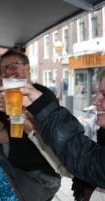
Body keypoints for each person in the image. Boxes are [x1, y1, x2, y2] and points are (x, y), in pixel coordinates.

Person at [20, 68, 105, 200]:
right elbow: (71, 166)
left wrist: (42, 106)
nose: (95, 101)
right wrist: (32, 131)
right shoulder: (100, 134)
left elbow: (86, 161)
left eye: (104, 95)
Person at [0, 49, 61, 201]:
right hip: (17, 170)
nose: (8, 72)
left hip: (41, 175)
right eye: (4, 69)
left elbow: (48, 130)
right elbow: (5, 134)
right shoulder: (9, 97)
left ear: (27, 68)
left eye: (13, 66)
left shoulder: (42, 95)